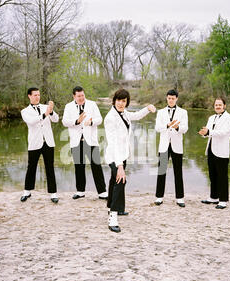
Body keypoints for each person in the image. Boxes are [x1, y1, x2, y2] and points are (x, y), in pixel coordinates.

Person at [104, 88, 156, 233]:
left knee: (114, 180)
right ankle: (112, 217)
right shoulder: (110, 118)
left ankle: (114, 208)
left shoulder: (124, 113)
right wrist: (119, 165)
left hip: (123, 154)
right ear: (114, 100)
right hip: (114, 156)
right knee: (120, 181)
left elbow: (136, 116)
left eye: (124, 101)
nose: (121, 103)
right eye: (119, 100)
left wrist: (147, 108)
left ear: (127, 102)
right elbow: (113, 143)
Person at [62, 86, 108, 200]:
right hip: (76, 141)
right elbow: (64, 122)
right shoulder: (68, 106)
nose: (81, 98)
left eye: (82, 95)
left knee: (96, 166)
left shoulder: (92, 104)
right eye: (79, 96)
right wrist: (77, 121)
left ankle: (102, 192)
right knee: (79, 167)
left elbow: (100, 119)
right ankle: (80, 191)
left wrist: (91, 122)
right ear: (74, 96)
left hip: (91, 141)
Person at [20, 87, 59, 203]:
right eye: (35, 95)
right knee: (31, 167)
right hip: (34, 143)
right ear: (29, 96)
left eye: (38, 95)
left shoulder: (46, 107)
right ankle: (27, 191)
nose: (37, 97)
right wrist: (45, 114)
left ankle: (53, 194)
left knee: (50, 168)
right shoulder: (25, 111)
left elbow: (56, 119)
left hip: (48, 142)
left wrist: (51, 111)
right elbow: (31, 122)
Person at [198, 97, 230, 209]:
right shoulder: (211, 117)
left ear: (224, 106)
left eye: (220, 105)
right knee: (212, 174)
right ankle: (213, 197)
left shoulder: (229, 118)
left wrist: (209, 132)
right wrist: (204, 133)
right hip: (210, 149)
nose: (217, 106)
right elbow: (209, 132)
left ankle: (223, 200)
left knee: (222, 176)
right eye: (216, 105)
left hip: (222, 150)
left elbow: (224, 132)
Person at [154, 89, 188, 207]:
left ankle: (180, 198)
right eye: (169, 98)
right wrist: (167, 125)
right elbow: (157, 128)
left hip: (177, 145)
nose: (171, 100)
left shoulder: (183, 112)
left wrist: (178, 127)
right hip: (164, 145)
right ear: (166, 98)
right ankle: (159, 197)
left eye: (173, 98)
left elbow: (185, 128)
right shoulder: (161, 112)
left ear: (177, 99)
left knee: (178, 172)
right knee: (161, 171)